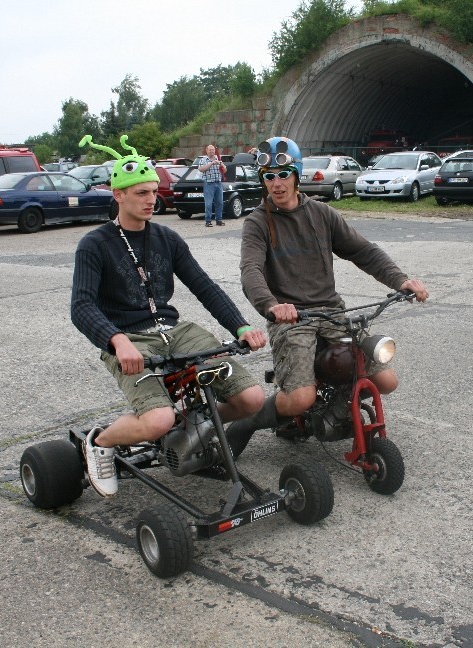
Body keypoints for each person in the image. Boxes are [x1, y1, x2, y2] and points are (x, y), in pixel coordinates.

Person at [71, 134, 267, 497]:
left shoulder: (166, 238)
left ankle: (191, 422)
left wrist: (240, 326)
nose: (151, 199)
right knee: (158, 419)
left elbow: (203, 285)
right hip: (129, 338)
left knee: (251, 398)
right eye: (141, 193)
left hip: (175, 330)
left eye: (152, 191)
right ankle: (99, 442)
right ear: (118, 195)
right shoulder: (94, 245)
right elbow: (81, 306)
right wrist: (117, 341)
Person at [227, 136, 429, 458]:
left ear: (296, 175)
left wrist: (401, 280)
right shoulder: (258, 222)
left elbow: (363, 251)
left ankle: (332, 411)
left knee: (386, 380)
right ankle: (248, 422)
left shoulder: (322, 213)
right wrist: (271, 305)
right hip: (291, 319)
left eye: (283, 175)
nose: (277, 184)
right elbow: (250, 270)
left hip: (332, 312)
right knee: (300, 398)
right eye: (269, 176)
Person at [198, 144, 227, 227]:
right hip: (209, 184)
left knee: (219, 203)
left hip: (218, 183)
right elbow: (201, 169)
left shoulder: (218, 158)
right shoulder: (203, 160)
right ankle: (208, 221)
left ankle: (219, 220)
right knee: (208, 204)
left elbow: (225, 170)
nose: (212, 151)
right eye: (210, 150)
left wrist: (222, 164)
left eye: (213, 150)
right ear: (206, 151)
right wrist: (211, 163)